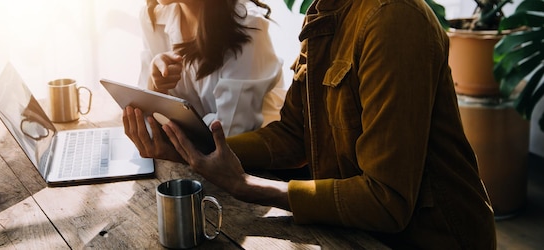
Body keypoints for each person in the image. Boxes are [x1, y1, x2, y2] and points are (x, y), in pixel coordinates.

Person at [124, 0, 497, 248]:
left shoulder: (393, 19)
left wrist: (248, 186)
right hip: (356, 231)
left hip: (434, 239)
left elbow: (387, 201)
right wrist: (191, 148)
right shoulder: (324, 12)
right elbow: (294, 134)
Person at [137, 0, 286, 139]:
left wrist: (183, 124)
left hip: (256, 158)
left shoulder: (247, 24)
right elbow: (143, 120)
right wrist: (155, 86)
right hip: (196, 151)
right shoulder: (152, 17)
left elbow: (230, 134)